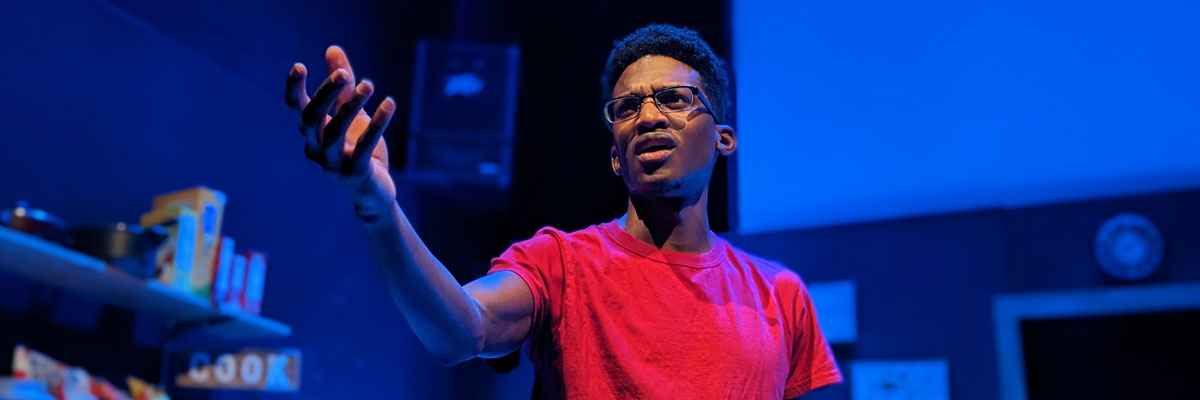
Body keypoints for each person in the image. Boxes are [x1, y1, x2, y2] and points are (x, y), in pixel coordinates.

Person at [284, 24, 841, 399]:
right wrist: (378, 207)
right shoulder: (561, 264)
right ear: (616, 158)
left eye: (674, 99)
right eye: (626, 108)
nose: (648, 116)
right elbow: (461, 332)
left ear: (723, 139)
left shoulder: (781, 294)